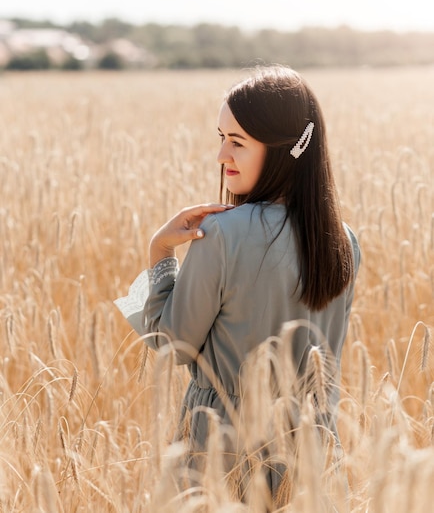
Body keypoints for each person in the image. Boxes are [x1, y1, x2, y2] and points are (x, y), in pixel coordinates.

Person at [115, 65, 360, 502]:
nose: (221, 155)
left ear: (285, 151)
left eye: (237, 142)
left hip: (222, 454)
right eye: (221, 137)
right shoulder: (344, 241)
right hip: (310, 455)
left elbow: (174, 344)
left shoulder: (222, 234)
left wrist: (159, 254)